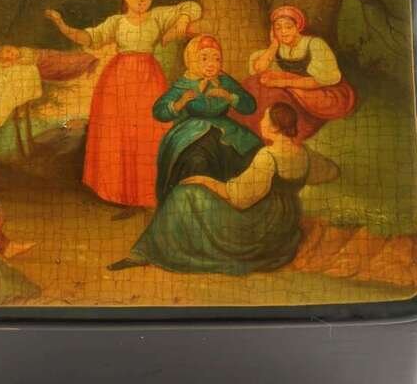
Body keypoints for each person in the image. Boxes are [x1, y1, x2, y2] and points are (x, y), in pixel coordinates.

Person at [108, 103, 336, 275]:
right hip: (284, 222)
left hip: (260, 224)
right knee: (191, 193)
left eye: (265, 119)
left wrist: (204, 180)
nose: (261, 122)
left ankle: (147, 253)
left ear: (275, 127)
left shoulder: (268, 155)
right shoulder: (304, 153)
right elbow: (331, 172)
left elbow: (238, 198)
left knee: (183, 194)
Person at [45, 0, 201, 216]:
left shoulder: (157, 17)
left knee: (150, 132)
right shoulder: (116, 22)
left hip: (149, 79)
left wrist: (182, 20)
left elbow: (192, 7)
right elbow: (88, 38)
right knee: (121, 135)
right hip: (118, 81)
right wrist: (62, 25)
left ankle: (150, 194)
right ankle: (125, 195)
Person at [152, 34, 261, 204]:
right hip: (190, 132)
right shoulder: (183, 84)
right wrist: (180, 103)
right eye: (204, 58)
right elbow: (158, 111)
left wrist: (230, 97)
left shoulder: (224, 81)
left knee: (252, 154)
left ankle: (234, 204)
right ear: (191, 59)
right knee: (197, 161)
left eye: (216, 59)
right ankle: (196, 206)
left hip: (226, 129)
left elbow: (250, 106)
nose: (211, 64)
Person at [236, 5, 355, 143]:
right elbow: (258, 69)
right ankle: (250, 129)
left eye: (288, 27)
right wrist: (274, 45)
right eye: (278, 28)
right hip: (294, 89)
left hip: (321, 91)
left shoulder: (314, 44)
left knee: (275, 94)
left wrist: (281, 83)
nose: (283, 32)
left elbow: (322, 80)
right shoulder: (279, 47)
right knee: (255, 83)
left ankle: (280, 131)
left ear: (297, 26)